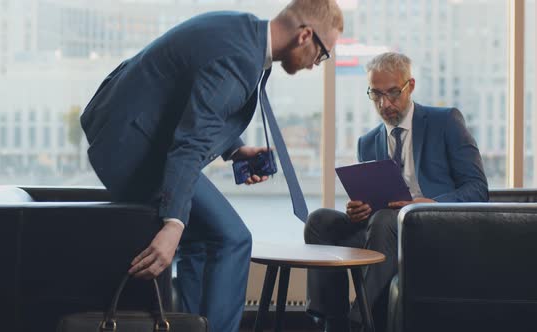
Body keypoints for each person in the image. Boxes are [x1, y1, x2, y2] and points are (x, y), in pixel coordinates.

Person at [80, 1, 344, 332]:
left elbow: (194, 102)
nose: (318, 64)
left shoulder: (243, 32)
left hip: (129, 135)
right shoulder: (240, 59)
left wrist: (235, 149)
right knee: (232, 239)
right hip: (132, 148)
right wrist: (172, 225)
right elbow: (189, 144)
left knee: (202, 241)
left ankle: (188, 327)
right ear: (305, 35)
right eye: (324, 53)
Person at [304, 52, 489, 332]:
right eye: (376, 94)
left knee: (386, 219)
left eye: (392, 93)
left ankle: (361, 320)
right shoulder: (367, 142)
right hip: (382, 229)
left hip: (430, 226)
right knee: (319, 221)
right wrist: (358, 211)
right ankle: (333, 321)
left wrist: (430, 204)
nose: (384, 104)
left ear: (410, 86)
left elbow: (478, 189)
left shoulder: (446, 121)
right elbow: (371, 203)